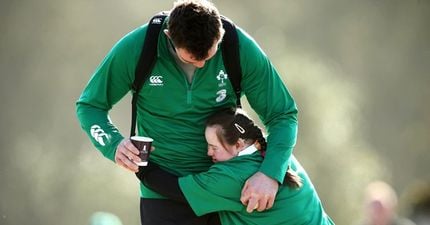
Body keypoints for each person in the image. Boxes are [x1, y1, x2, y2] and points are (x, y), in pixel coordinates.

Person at [76, 0, 298, 224]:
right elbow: (90, 106)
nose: (201, 65)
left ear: (219, 33)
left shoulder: (238, 47)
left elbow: (282, 115)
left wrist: (270, 173)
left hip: (224, 189)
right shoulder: (137, 48)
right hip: (161, 191)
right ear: (169, 36)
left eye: (209, 56)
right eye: (191, 58)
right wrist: (113, 144)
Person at [137, 108, 335, 225]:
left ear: (239, 144)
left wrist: (140, 164)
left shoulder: (232, 176)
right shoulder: (275, 152)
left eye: (214, 147)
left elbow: (175, 189)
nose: (208, 153)